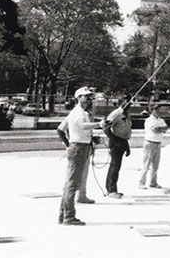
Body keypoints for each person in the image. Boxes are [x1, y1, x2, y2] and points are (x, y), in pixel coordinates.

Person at [57, 87, 103, 225]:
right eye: (86, 96)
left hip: (80, 146)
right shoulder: (78, 112)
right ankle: (69, 217)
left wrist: (91, 138)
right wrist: (99, 124)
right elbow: (82, 126)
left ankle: (63, 214)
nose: (89, 98)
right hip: (78, 148)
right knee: (73, 184)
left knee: (69, 183)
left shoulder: (81, 112)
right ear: (78, 97)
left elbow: (77, 130)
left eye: (90, 96)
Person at [102, 95, 133, 198]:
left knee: (116, 166)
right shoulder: (116, 113)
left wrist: (127, 146)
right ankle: (111, 190)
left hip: (123, 141)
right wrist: (114, 140)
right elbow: (106, 128)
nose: (130, 104)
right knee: (115, 166)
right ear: (121, 102)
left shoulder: (126, 114)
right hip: (116, 141)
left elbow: (126, 130)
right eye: (127, 101)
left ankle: (111, 187)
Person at [138, 104, 168, 189]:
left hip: (158, 143)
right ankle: (141, 182)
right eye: (157, 110)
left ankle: (153, 182)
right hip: (150, 143)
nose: (159, 112)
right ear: (153, 110)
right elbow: (154, 130)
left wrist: (160, 129)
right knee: (146, 164)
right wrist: (161, 129)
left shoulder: (161, 120)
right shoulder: (149, 120)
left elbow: (166, 128)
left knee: (156, 165)